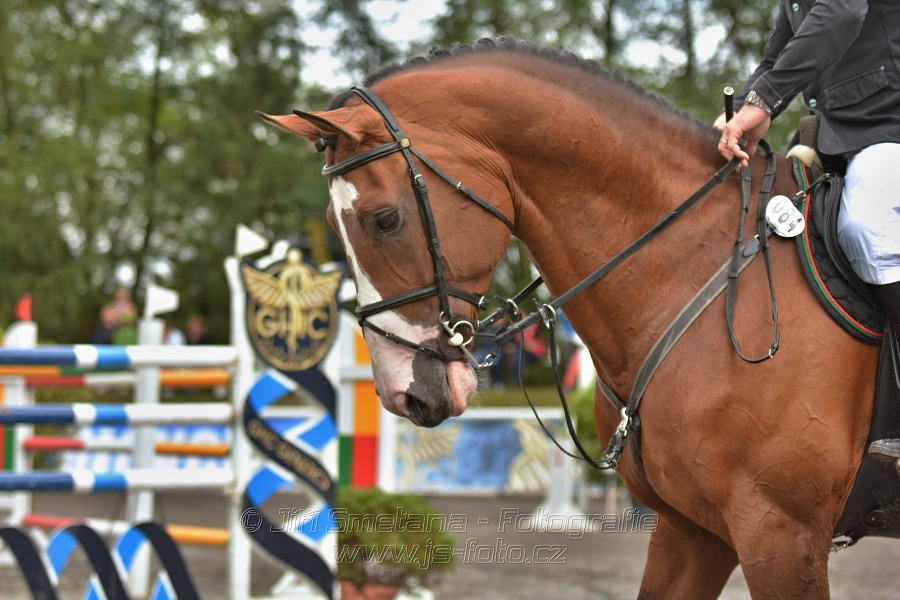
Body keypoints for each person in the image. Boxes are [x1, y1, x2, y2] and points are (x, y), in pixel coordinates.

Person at [715, 0, 900, 461]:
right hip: (833, 139)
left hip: (889, 128)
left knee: (866, 227)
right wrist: (738, 112)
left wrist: (762, 103)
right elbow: (776, 58)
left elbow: (842, 11)